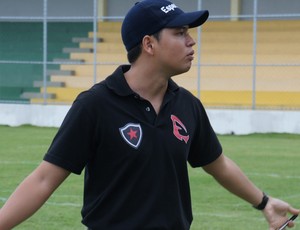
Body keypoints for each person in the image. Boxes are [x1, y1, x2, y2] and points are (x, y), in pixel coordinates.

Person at [0, 0, 299, 229]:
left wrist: (263, 202)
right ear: (149, 44)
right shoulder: (95, 105)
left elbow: (217, 164)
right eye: (180, 33)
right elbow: (43, 179)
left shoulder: (187, 105)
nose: (191, 41)